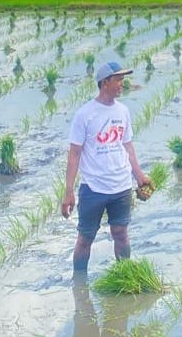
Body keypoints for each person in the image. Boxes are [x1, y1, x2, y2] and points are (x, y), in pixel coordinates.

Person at [61, 61, 151, 272]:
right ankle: (79, 283)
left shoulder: (123, 112)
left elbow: (127, 145)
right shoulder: (85, 114)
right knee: (85, 238)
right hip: (93, 188)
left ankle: (125, 274)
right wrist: (68, 192)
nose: (122, 84)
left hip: (121, 186)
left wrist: (139, 175)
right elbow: (74, 154)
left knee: (121, 233)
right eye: (118, 80)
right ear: (104, 83)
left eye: (122, 79)